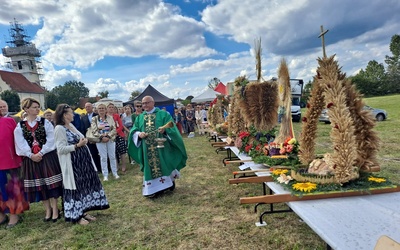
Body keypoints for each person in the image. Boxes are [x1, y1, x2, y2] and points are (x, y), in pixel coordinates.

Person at [53, 104, 109, 225]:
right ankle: (76, 215)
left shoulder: (71, 126)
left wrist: (84, 141)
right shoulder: (59, 129)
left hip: (82, 163)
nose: (73, 114)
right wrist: (76, 146)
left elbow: (81, 138)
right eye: (70, 113)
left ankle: (83, 211)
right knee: (76, 189)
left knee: (83, 187)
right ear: (64, 115)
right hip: (72, 163)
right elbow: (60, 149)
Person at [14, 97, 63, 223]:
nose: (37, 109)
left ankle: (55, 209)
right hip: (31, 159)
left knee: (51, 184)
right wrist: (31, 155)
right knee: (40, 185)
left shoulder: (44, 122)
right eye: (34, 107)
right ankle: (47, 210)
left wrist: (41, 152)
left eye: (38, 107)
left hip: (46, 156)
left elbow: (51, 139)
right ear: (26, 109)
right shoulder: (20, 126)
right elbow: (20, 144)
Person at [127, 96, 187, 197]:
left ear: (153, 102)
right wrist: (138, 134)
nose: (144, 105)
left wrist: (165, 130)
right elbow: (134, 130)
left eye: (147, 103)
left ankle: (169, 183)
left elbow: (171, 127)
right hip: (147, 148)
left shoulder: (163, 114)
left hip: (162, 146)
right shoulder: (140, 117)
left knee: (165, 163)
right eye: (143, 103)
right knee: (151, 166)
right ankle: (153, 189)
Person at [0, 110, 30, 229]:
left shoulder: (8, 121)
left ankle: (14, 215)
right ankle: (1, 215)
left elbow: (18, 141)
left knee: (12, 191)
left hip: (9, 162)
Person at [90, 103, 119, 181]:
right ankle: (105, 175)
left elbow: (114, 128)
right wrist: (102, 137)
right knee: (103, 157)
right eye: (100, 108)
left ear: (105, 110)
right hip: (100, 140)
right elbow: (94, 131)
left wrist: (108, 136)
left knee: (112, 156)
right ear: (97, 110)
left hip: (110, 139)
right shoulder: (94, 119)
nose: (101, 110)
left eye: (103, 108)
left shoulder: (110, 118)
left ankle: (115, 173)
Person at [80, 102, 101, 172]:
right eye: (86, 107)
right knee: (93, 154)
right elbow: (82, 128)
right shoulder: (83, 118)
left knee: (100, 153)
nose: (87, 108)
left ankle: (104, 168)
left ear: (92, 107)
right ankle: (97, 168)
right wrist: (86, 137)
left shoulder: (97, 115)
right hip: (89, 138)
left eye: (89, 106)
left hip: (98, 137)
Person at [107, 103, 127, 173]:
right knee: (113, 152)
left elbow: (121, 126)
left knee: (122, 151)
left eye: (112, 107)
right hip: (110, 137)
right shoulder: (105, 117)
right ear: (107, 108)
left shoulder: (116, 116)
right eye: (110, 107)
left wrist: (115, 132)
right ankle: (116, 166)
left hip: (119, 135)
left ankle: (124, 165)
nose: (111, 109)